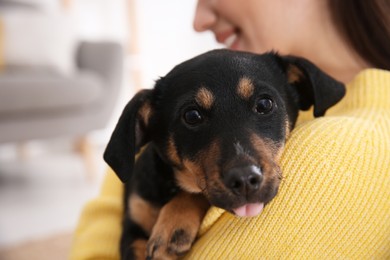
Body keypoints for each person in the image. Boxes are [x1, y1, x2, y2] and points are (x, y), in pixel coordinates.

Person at [70, 0, 390, 259]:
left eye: (263, 107)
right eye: (193, 117)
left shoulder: (357, 150)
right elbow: (110, 208)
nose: (198, 20)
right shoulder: (169, 113)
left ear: (301, 90)